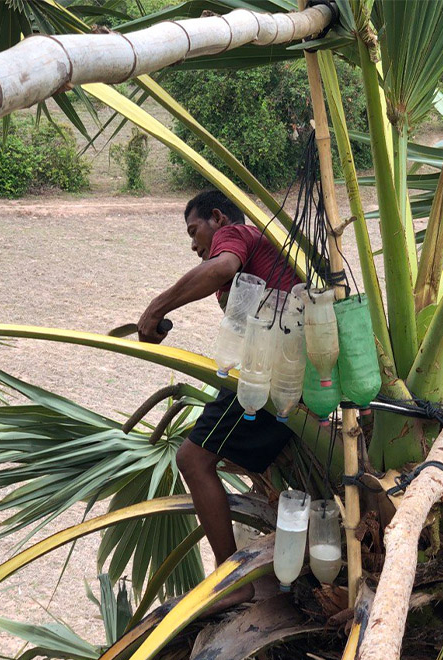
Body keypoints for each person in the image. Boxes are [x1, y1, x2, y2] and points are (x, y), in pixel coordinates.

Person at [137, 189, 301, 608]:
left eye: (194, 232)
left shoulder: (240, 236)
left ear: (217, 218)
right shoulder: (251, 261)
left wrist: (155, 309)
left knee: (193, 459)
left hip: (271, 372)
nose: (194, 246)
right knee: (225, 454)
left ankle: (232, 580)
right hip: (283, 368)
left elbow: (220, 266)